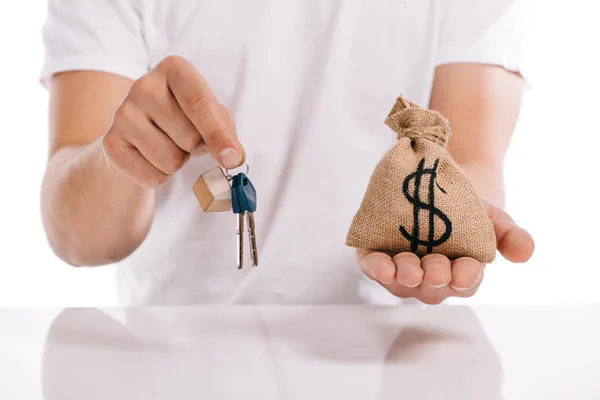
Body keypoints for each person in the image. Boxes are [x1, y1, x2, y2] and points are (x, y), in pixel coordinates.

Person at [40, 0, 535, 306]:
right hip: (179, 353)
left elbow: (470, 159)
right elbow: (75, 234)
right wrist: (121, 157)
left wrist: (455, 221)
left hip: (398, 364)